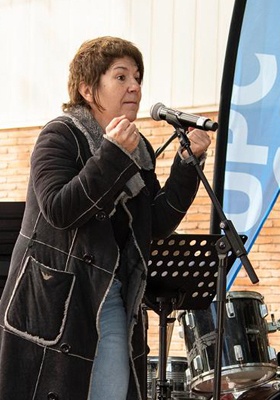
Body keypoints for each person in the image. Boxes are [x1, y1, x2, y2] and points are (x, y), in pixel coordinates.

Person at [0, 36, 211, 400]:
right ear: (87, 88)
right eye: (121, 76)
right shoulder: (60, 135)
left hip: (111, 294)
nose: (135, 86)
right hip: (57, 300)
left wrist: (187, 164)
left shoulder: (138, 147)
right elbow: (59, 210)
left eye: (138, 77)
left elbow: (156, 224)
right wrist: (112, 154)